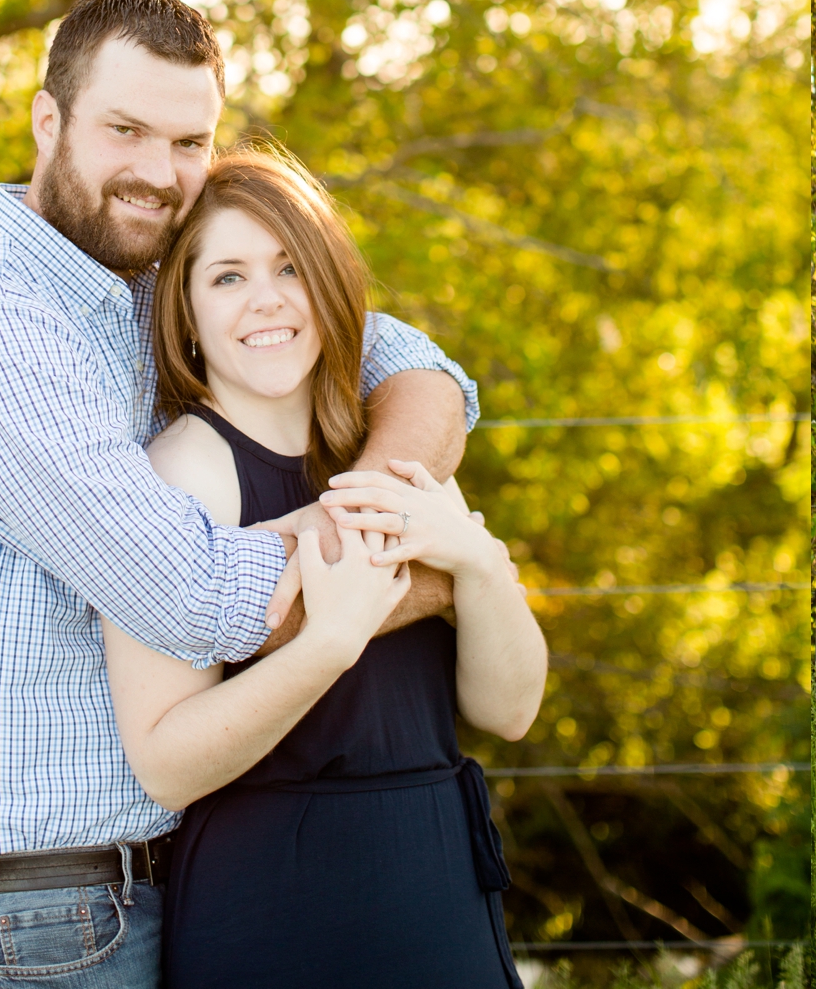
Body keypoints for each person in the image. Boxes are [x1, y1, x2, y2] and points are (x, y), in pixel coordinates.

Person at [0, 0, 481, 986]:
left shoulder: (162, 269)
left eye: (189, 139)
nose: (159, 170)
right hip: (36, 909)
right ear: (48, 121)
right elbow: (193, 594)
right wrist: (442, 575)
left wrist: (375, 499)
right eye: (126, 129)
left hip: (167, 871)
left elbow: (419, 370)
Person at [108, 148, 547, 986]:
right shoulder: (180, 473)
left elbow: (510, 707)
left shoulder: (390, 455)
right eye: (227, 277)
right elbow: (165, 761)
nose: (267, 298)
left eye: (288, 267)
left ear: (330, 284)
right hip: (278, 897)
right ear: (188, 314)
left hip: (441, 882)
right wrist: (327, 643)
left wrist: (480, 569)